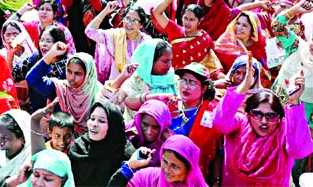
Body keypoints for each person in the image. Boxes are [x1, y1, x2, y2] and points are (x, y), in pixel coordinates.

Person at [213, 57, 313, 186]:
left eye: (270, 116)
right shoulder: (240, 124)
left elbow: (299, 150)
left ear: (279, 117)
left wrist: (294, 101)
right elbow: (220, 123)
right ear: (249, 114)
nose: (264, 121)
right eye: (258, 114)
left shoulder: (283, 131)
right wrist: (245, 85)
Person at [25, 53, 101, 134]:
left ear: (89, 75)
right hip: (61, 143)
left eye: (77, 73)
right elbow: (31, 79)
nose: (71, 78)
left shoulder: (99, 94)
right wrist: (52, 52)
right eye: (69, 71)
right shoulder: (60, 89)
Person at [67, 101, 136, 186]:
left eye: (101, 121)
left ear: (113, 126)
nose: (94, 124)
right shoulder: (78, 147)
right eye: (92, 118)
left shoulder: (126, 154)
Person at [86, 2, 151, 83]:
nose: (129, 24)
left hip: (138, 86)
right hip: (116, 85)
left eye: (135, 21)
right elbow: (90, 31)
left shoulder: (146, 42)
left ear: (141, 25)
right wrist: (106, 11)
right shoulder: (115, 36)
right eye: (127, 19)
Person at [107, 135, 208, 187]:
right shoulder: (146, 178)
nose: (167, 169)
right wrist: (130, 165)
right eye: (165, 161)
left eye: (174, 166)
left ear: (189, 168)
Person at [127, 99, 173, 167]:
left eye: (155, 127)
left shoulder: (170, 141)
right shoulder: (131, 128)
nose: (149, 132)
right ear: (140, 120)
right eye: (145, 124)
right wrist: (126, 135)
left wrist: (170, 143)